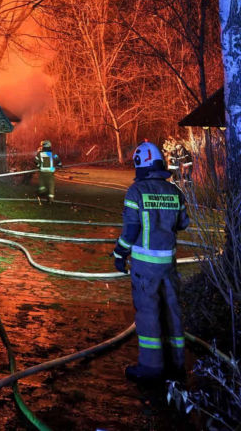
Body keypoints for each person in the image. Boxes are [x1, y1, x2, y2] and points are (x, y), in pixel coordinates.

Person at [112, 141, 189, 382]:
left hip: (145, 268)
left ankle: (151, 367)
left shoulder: (136, 192)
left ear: (139, 165)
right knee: (172, 312)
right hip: (168, 265)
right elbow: (183, 223)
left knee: (149, 314)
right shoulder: (175, 191)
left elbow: (131, 231)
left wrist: (119, 254)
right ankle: (177, 364)